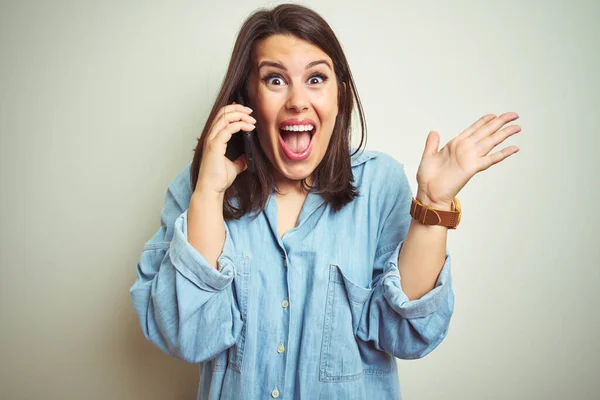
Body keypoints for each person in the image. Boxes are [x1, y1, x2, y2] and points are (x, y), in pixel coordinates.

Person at [129, 3, 521, 400]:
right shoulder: (199, 186)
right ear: (247, 96)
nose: (298, 100)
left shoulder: (381, 184)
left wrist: (434, 205)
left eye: (316, 78)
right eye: (275, 80)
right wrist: (207, 197)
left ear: (340, 95)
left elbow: (407, 335)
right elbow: (186, 338)